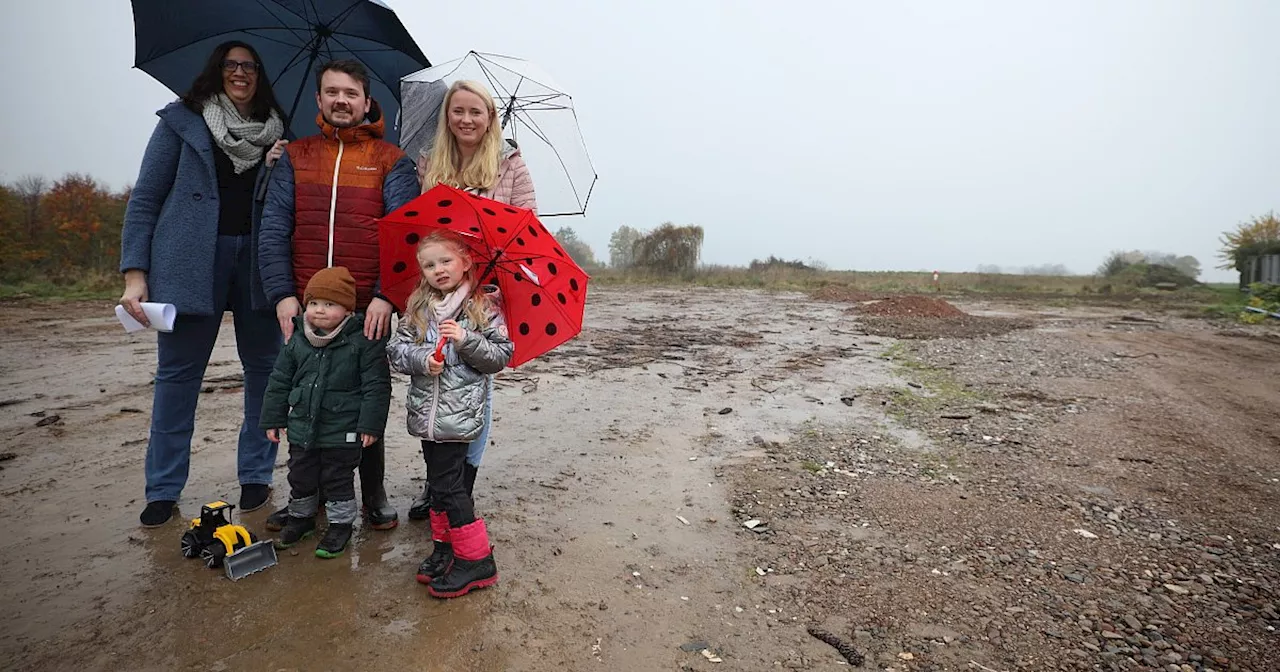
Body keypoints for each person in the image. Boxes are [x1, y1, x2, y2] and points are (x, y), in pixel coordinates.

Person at [120, 40, 289, 527]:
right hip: (190, 262)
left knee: (265, 372)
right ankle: (163, 488)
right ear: (217, 70)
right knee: (177, 377)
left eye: (250, 66)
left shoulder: (280, 133)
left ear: (261, 74)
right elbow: (146, 198)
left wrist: (280, 166)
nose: (240, 73)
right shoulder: (181, 120)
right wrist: (136, 274)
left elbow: (288, 205)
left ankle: (257, 475)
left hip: (258, 263)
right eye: (232, 65)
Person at [259, 59, 419, 532]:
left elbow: (405, 237)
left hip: (367, 306)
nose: (341, 101)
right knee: (305, 394)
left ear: (367, 101)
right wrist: (282, 295)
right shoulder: (295, 155)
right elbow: (273, 229)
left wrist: (387, 297)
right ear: (319, 100)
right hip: (307, 305)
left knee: (362, 397)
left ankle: (372, 493)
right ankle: (307, 496)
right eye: (332, 92)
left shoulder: (393, 160)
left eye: (351, 93)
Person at [406, 80, 537, 520]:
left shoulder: (510, 165)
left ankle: (462, 484)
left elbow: (526, 228)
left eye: (475, 112)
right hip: (439, 288)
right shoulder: (429, 162)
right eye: (457, 110)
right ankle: (437, 485)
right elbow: (418, 225)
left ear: (490, 118)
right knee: (436, 382)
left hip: (488, 291)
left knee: (475, 390)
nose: (465, 119)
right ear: (447, 116)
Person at [387, 231, 513, 598]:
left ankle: (476, 561)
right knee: (438, 484)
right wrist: (423, 361)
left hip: (459, 416)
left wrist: (465, 338)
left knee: (450, 486)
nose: (438, 270)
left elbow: (499, 356)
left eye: (446, 261)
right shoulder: (419, 308)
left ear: (466, 262)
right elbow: (396, 350)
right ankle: (446, 550)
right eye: (429, 264)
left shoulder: (483, 308)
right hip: (427, 415)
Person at [260, 267, 391, 558]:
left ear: (346, 311)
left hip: (343, 427)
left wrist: (371, 425)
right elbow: (279, 380)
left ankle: (341, 525)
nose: (319, 311)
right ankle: (301, 518)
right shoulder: (298, 339)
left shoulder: (361, 342)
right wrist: (273, 417)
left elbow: (376, 386)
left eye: (329, 304)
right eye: (314, 303)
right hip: (302, 426)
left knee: (337, 477)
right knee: (301, 474)